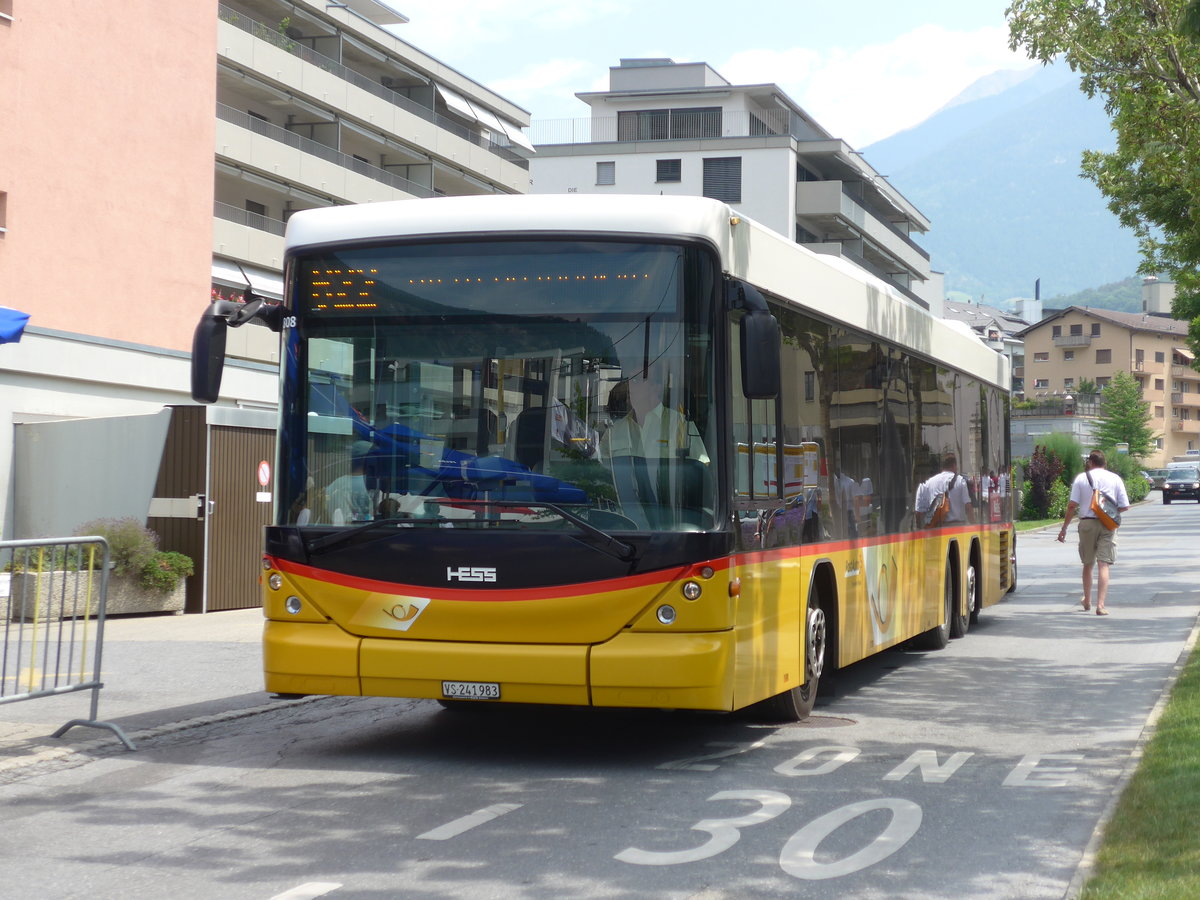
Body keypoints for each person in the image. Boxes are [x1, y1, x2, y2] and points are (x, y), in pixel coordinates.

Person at [1058, 449, 1130, 615]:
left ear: (1090, 462)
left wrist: (1064, 528)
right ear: (1105, 463)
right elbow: (1125, 506)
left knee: (1088, 564)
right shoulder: (1115, 478)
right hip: (1108, 524)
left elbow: (1072, 505)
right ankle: (1101, 605)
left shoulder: (1082, 478)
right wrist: (1108, 512)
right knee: (1103, 564)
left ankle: (1087, 600)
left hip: (1087, 524)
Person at [914, 452, 973, 526]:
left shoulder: (928, 484)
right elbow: (968, 507)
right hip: (956, 528)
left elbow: (919, 514)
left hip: (935, 528)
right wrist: (974, 524)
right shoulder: (960, 481)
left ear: (943, 467)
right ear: (954, 465)